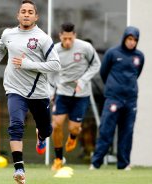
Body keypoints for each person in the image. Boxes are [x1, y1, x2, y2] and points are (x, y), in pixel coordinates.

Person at [0, 1, 60, 183]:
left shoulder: (43, 38)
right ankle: (19, 169)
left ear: (36, 17)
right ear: (18, 15)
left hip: (39, 93)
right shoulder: (8, 34)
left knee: (47, 130)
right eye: (23, 11)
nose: (26, 14)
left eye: (30, 12)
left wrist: (28, 64)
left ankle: (41, 135)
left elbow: (56, 65)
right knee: (16, 125)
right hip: (14, 89)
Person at [90, 26, 145, 170]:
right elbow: (103, 73)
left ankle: (124, 164)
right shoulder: (112, 53)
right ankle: (96, 163)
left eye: (135, 40)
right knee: (106, 131)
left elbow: (137, 74)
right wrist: (114, 87)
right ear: (124, 38)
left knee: (127, 132)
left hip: (131, 100)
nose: (132, 42)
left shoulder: (139, 56)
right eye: (130, 39)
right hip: (113, 98)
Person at [49, 22, 101, 171]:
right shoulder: (55, 51)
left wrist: (83, 80)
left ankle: (73, 137)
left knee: (74, 128)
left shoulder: (85, 47)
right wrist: (51, 92)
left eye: (70, 39)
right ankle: (58, 158)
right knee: (56, 124)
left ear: (75, 36)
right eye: (64, 38)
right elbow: (51, 73)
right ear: (60, 36)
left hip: (81, 94)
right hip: (62, 92)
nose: (67, 42)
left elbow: (96, 65)